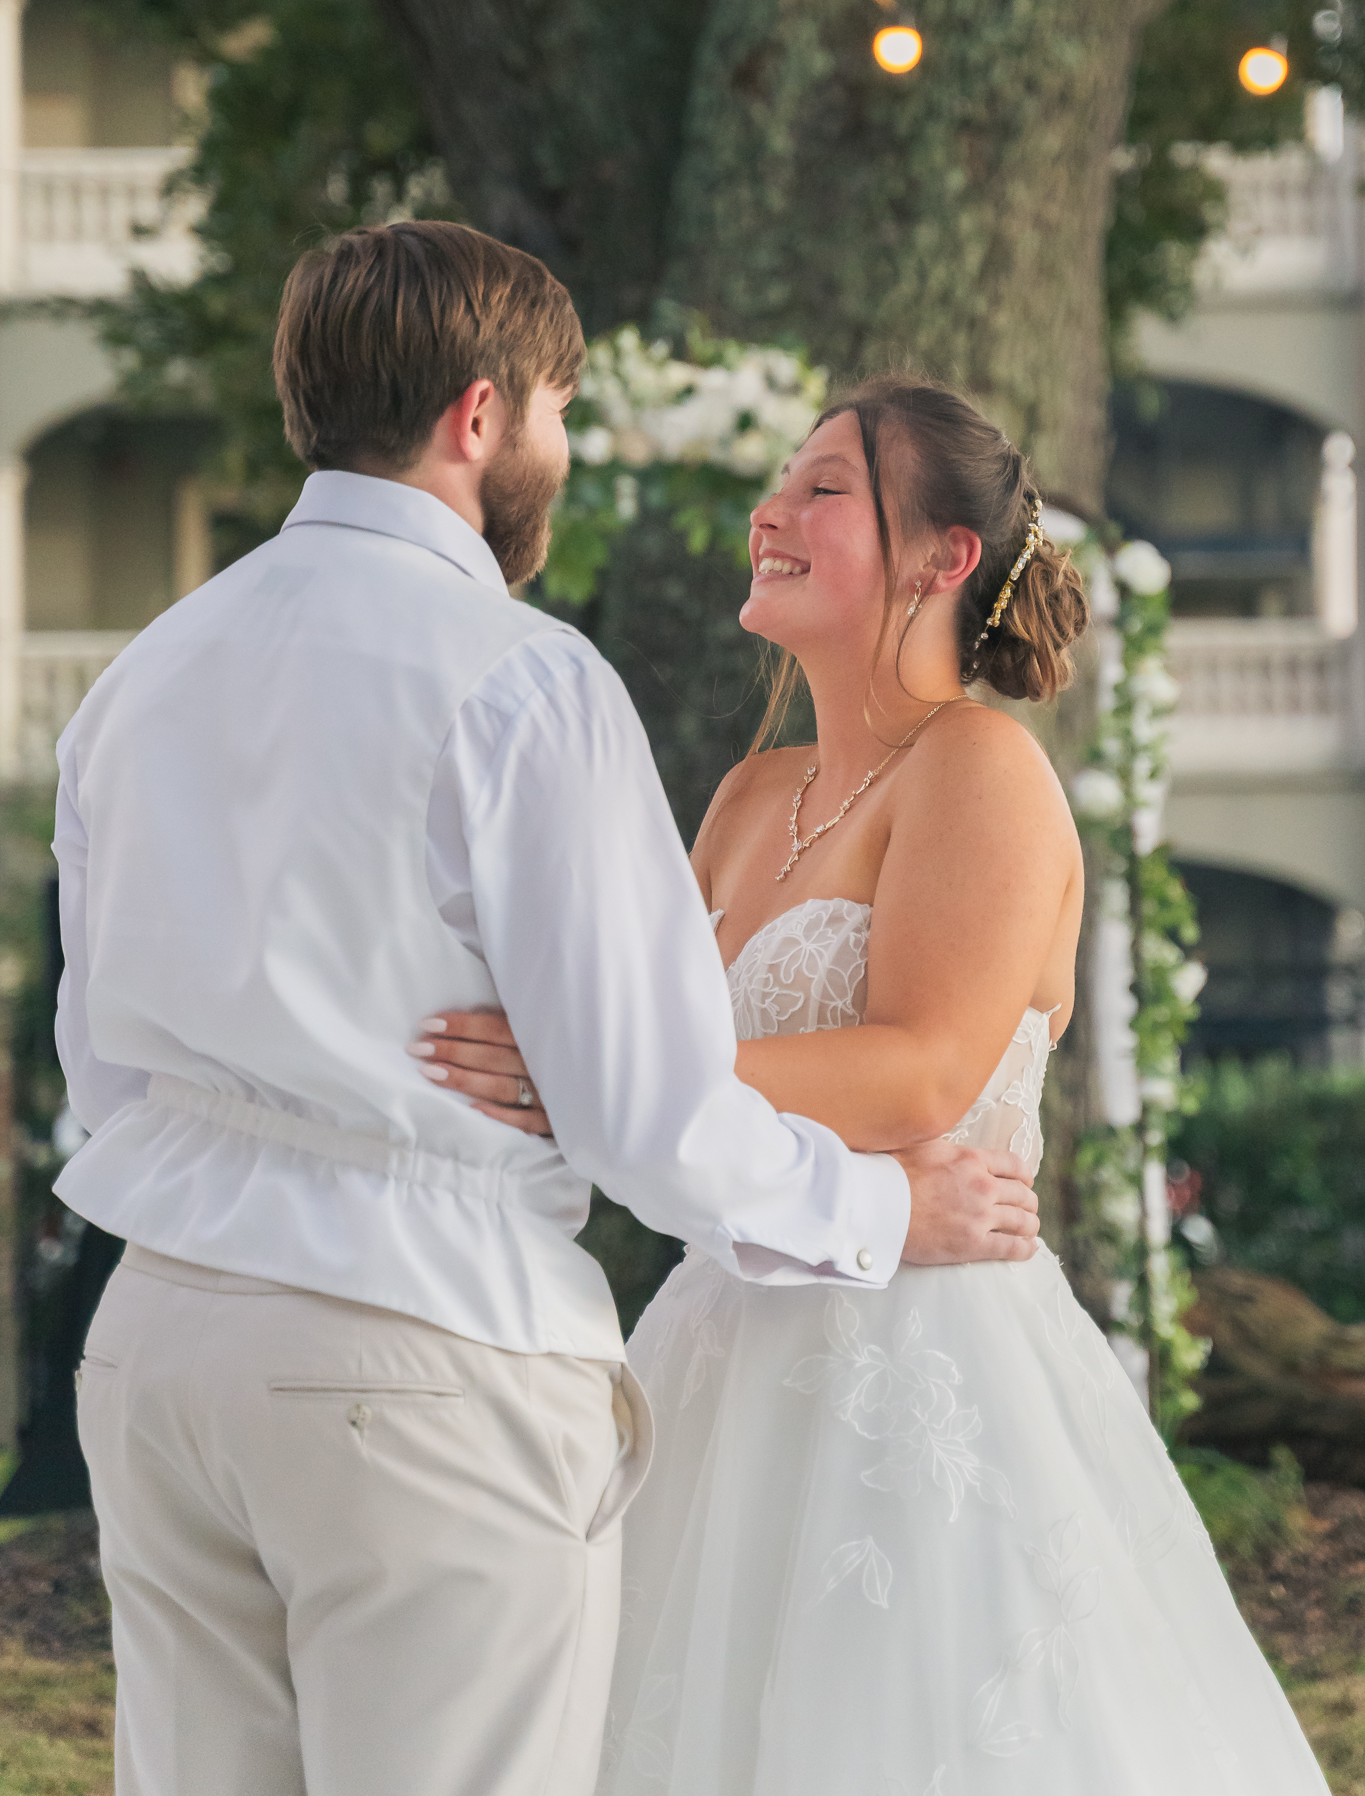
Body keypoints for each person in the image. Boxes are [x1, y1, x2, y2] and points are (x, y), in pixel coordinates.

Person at [50, 224, 1040, 1796]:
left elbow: (101, 1070)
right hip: (417, 1347)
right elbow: (649, 1118)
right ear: (477, 416)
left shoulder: (146, 676)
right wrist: (871, 1210)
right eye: (560, 413)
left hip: (158, 1349)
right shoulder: (522, 681)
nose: (562, 452)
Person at [426, 379, 1330, 1794]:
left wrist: (586, 1073)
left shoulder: (979, 769)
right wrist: (575, 1070)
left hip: (923, 1362)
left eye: (823, 487)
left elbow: (915, 1071)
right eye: (777, 483)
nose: (767, 514)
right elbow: (652, 1053)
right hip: (716, 1344)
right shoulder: (745, 796)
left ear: (941, 556)